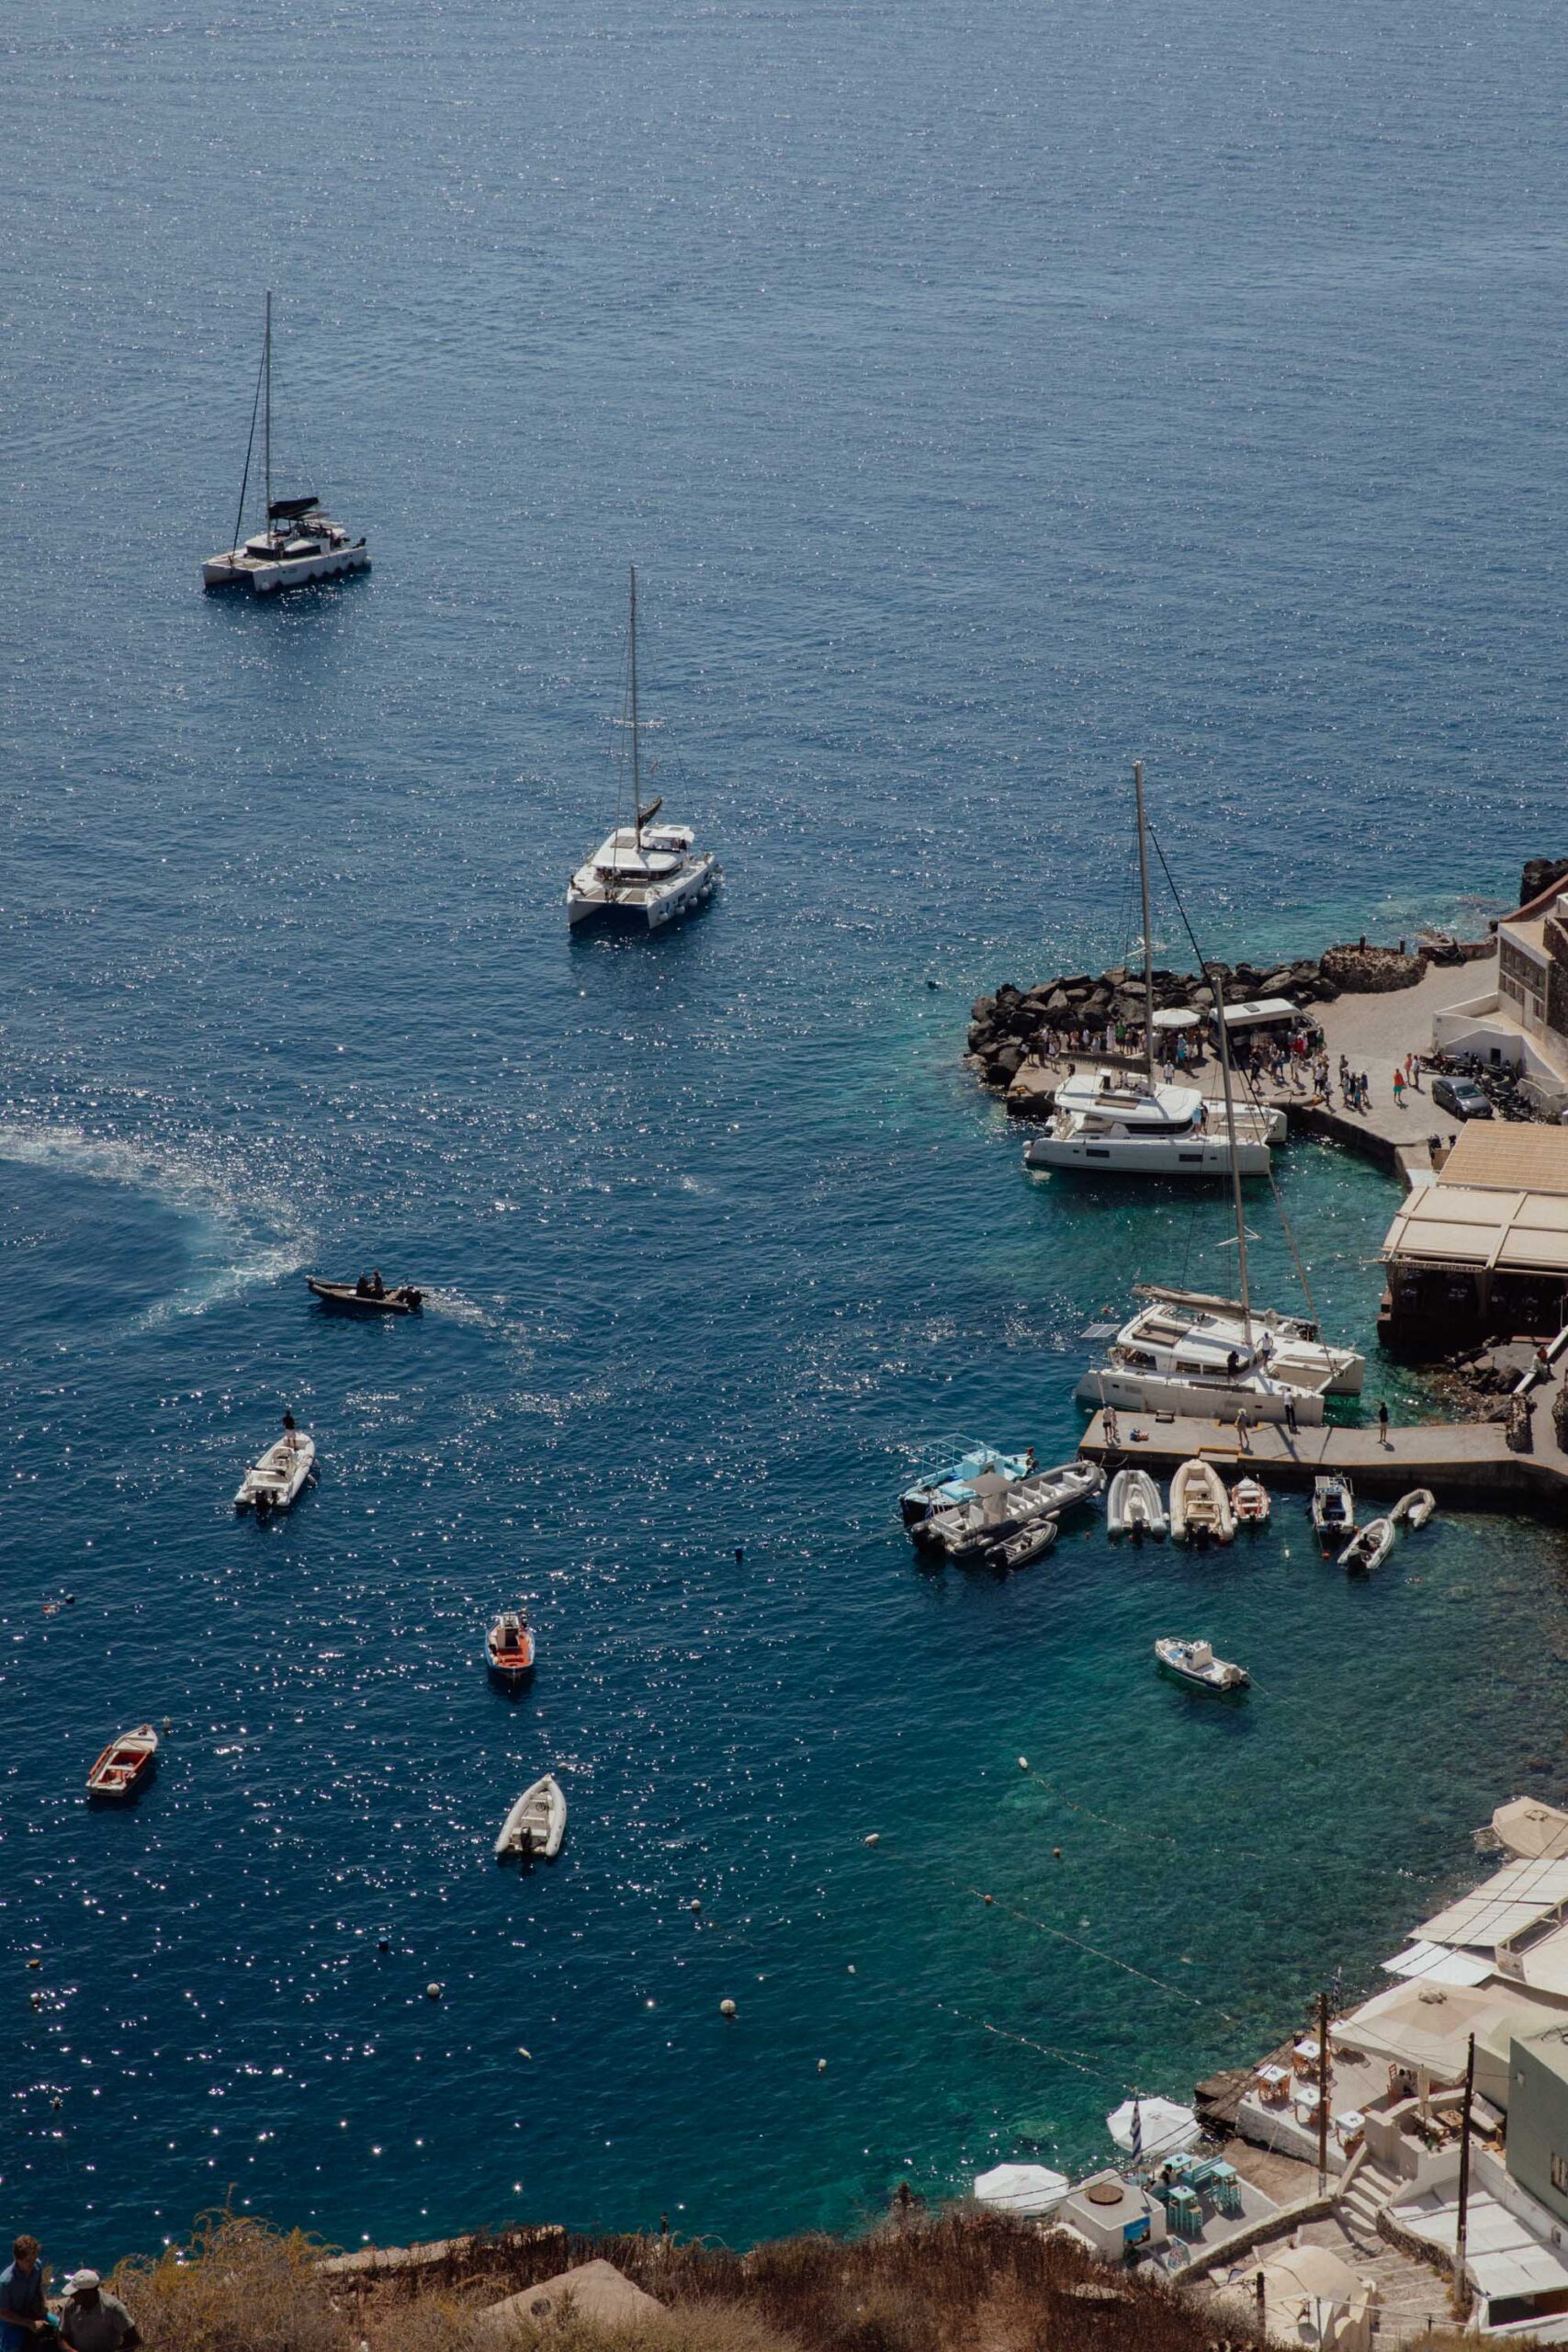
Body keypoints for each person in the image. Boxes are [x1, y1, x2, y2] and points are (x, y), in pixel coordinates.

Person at [60, 2273, 140, 2352]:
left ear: (88, 2293)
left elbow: (134, 2340)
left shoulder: (113, 2308)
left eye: (76, 2293)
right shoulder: (70, 2306)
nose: (72, 2296)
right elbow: (62, 2337)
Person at [0, 2237, 49, 2350]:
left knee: (59, 2327)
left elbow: (38, 2290)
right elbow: (3, 2313)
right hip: (12, 2320)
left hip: (31, 2311)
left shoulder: (37, 2266)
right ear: (17, 2259)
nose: (32, 2263)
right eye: (28, 2261)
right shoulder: (6, 2282)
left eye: (35, 2258)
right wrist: (30, 2324)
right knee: (12, 2347)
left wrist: (42, 2307)